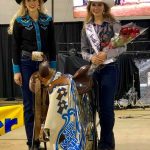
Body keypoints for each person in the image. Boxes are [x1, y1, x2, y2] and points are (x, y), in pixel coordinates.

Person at [8, 0, 56, 149]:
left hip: (44, 64)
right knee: (29, 105)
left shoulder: (47, 21)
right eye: (29, 0)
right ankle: (32, 142)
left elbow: (52, 45)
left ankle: (45, 139)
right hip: (26, 64)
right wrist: (17, 71)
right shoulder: (19, 21)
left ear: (40, 2)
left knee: (47, 103)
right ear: (24, 3)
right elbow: (15, 47)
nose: (32, 3)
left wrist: (53, 68)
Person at [81, 0, 126, 150]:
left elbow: (122, 46)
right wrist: (91, 58)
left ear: (105, 7)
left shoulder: (114, 24)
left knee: (106, 108)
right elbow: (83, 51)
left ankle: (105, 144)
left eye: (99, 4)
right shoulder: (86, 27)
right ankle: (94, 140)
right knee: (92, 107)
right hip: (93, 70)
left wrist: (107, 54)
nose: (96, 7)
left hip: (109, 68)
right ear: (90, 7)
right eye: (93, 4)